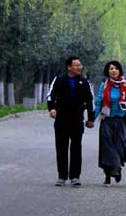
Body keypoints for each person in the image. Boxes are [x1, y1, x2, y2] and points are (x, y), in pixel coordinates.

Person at [46, 56, 95, 186]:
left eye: (80, 65)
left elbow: (90, 101)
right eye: (77, 65)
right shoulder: (59, 80)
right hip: (61, 119)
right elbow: (50, 95)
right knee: (61, 148)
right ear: (69, 67)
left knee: (76, 148)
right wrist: (51, 109)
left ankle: (75, 176)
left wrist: (91, 118)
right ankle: (62, 176)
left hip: (77, 119)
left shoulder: (84, 82)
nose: (80, 67)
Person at [94, 60, 126, 187]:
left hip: (121, 120)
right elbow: (99, 102)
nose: (113, 70)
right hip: (107, 120)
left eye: (116, 68)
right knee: (106, 147)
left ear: (119, 71)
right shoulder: (104, 86)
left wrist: (125, 104)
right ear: (108, 71)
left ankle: (117, 168)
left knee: (119, 146)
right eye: (111, 68)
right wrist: (91, 119)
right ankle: (108, 175)